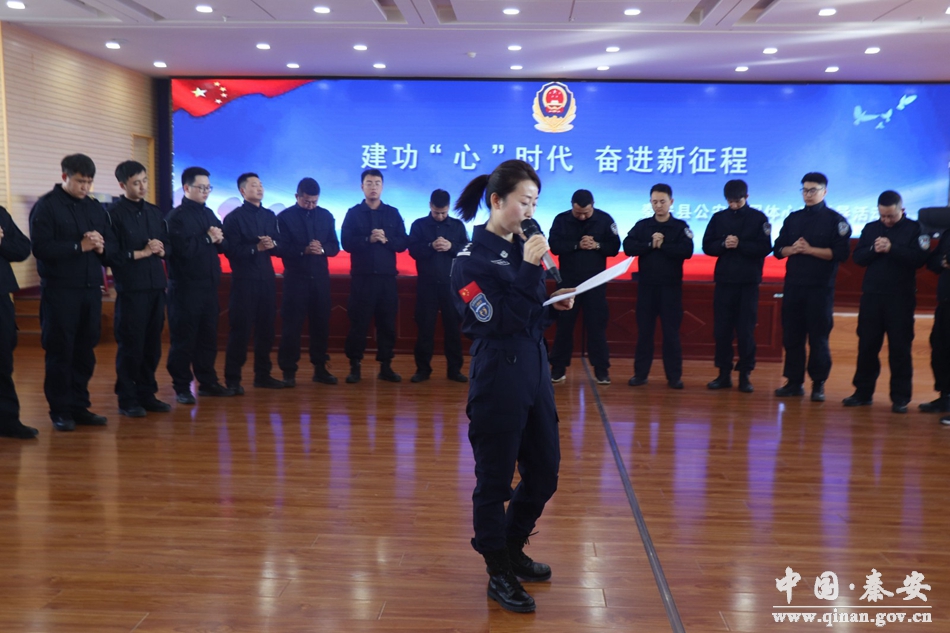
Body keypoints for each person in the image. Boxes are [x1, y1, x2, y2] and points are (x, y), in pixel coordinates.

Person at [451, 159, 574, 614]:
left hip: (534, 369)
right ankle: (498, 571)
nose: (530, 211)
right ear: (496, 200)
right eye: (524, 201)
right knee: (494, 480)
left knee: (544, 470)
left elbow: (528, 314)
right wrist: (528, 270)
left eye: (535, 203)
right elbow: (496, 322)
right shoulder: (468, 262)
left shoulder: (524, 249)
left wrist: (554, 302)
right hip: (499, 374)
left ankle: (511, 545)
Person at [29, 153, 116, 431]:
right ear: (65, 176)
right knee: (60, 351)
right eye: (80, 181)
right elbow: (41, 248)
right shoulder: (47, 206)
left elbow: (108, 249)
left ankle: (80, 406)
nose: (85, 187)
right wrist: (79, 246)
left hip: (91, 290)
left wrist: (101, 247)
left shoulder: (94, 207)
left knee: (85, 351)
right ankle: (60, 410)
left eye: (89, 182)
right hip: (60, 292)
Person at [843, 191, 929, 413]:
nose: (886, 220)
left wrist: (892, 249)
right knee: (867, 346)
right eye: (882, 216)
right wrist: (874, 249)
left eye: (891, 216)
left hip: (900, 298)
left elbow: (920, 259)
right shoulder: (871, 228)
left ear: (902, 210)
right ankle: (862, 393)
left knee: (900, 348)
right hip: (872, 296)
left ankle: (900, 398)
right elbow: (858, 258)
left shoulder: (915, 229)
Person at [773, 172, 851, 402]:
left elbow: (841, 254)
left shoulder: (836, 221)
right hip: (793, 286)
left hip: (820, 288)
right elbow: (778, 250)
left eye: (813, 190)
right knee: (792, 336)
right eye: (804, 190)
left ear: (824, 192)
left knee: (818, 337)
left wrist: (810, 250)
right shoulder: (793, 218)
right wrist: (793, 249)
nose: (807, 194)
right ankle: (793, 382)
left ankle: (818, 384)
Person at [108, 160, 172, 418]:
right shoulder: (113, 214)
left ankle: (147, 393)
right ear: (123, 185)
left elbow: (168, 245)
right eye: (136, 183)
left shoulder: (154, 212)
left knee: (152, 345)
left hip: (156, 285)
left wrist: (161, 249)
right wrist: (143, 252)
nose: (142, 186)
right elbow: (110, 255)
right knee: (131, 345)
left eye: (145, 181)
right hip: (131, 288)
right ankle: (127, 398)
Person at [165, 166, 234, 403]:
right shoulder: (175, 217)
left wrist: (218, 239)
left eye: (208, 188)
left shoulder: (209, 214)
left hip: (209, 286)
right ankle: (182, 386)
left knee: (208, 337)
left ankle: (207, 381)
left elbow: (223, 244)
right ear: (186, 188)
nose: (206, 191)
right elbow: (181, 251)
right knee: (184, 339)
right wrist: (208, 238)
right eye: (201, 187)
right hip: (185, 288)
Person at [701, 179, 772, 393]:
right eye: (730, 201)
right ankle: (723, 374)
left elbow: (765, 247)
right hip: (724, 282)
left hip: (748, 283)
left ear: (746, 197)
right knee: (722, 330)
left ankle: (745, 375)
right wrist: (723, 244)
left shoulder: (759, 218)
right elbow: (707, 245)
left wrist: (740, 244)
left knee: (745, 331)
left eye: (737, 201)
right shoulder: (718, 218)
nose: (733, 205)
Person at [340, 169, 409, 383]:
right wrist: (367, 239)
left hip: (387, 279)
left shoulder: (393, 213)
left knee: (387, 324)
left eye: (377, 183)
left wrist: (387, 240)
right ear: (362, 187)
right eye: (369, 183)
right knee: (358, 323)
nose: (373, 187)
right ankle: (355, 367)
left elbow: (403, 242)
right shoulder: (353, 213)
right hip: (362, 279)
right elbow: (346, 243)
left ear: (382, 186)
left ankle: (386, 366)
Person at [623, 183, 693, 389]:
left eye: (662, 201)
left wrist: (663, 245)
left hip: (671, 289)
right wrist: (649, 244)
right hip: (647, 288)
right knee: (644, 333)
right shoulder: (643, 226)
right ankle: (640, 374)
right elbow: (628, 246)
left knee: (671, 334)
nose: (658, 205)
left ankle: (674, 377)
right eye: (654, 202)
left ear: (671, 202)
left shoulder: (679, 227)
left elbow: (686, 251)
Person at [548, 189, 621, 385]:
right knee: (564, 327)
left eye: (586, 213)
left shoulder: (605, 220)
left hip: (595, 283)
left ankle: (601, 370)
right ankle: (558, 368)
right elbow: (554, 245)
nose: (582, 217)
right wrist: (576, 245)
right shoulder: (561, 220)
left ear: (593, 206)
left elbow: (614, 247)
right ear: (572, 206)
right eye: (578, 213)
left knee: (597, 327)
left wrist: (597, 245)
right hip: (568, 283)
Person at [222, 173, 285, 393]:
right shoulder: (234, 218)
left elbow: (279, 245)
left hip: (266, 280)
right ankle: (233, 380)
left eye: (261, 185)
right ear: (242, 191)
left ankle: (263, 375)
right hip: (244, 281)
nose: (259, 188)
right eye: (253, 185)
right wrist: (255, 248)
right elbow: (231, 251)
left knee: (266, 329)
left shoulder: (269, 216)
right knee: (240, 330)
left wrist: (272, 244)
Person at [277, 177, 340, 386]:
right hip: (296, 279)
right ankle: (288, 372)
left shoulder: (326, 215)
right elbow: (280, 248)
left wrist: (322, 249)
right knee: (291, 327)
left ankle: (320, 369)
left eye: (314, 201)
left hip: (320, 280)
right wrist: (304, 250)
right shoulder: (285, 218)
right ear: (297, 197)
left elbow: (334, 246)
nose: (311, 205)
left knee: (321, 325)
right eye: (307, 201)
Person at [407, 188, 469, 383]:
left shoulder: (457, 226)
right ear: (430, 206)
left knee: (453, 329)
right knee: (425, 328)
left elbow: (467, 250)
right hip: (427, 285)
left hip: (451, 286)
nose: (440, 216)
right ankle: (422, 370)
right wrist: (430, 246)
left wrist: (452, 247)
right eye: (436, 212)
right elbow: (412, 250)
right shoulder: (419, 225)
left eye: (443, 212)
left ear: (449, 208)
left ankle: (454, 370)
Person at [0, 205, 35, 438]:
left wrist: (2, 242)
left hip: (1, 295)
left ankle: (7, 421)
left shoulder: (0, 214)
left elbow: (23, 248)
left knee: (3, 358)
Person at [919, 223, 950, 422]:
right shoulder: (948, 234)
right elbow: (932, 261)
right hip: (945, 302)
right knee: (940, 350)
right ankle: (945, 397)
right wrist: (943, 262)